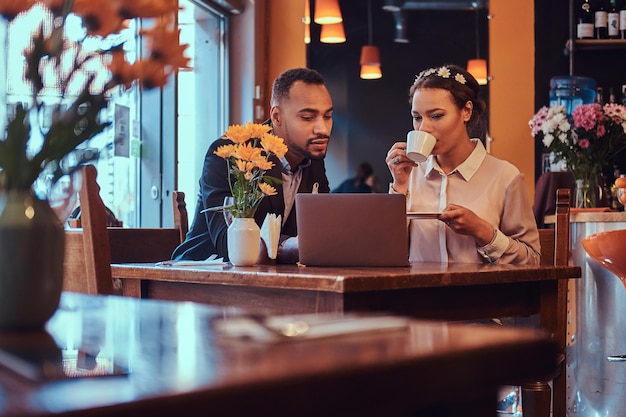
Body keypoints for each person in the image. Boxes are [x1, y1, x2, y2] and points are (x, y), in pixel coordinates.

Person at [172, 68, 333, 263]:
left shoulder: (313, 161)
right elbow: (228, 242)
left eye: (327, 116)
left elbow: (319, 232)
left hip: (274, 277)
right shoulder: (232, 154)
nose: (322, 129)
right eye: (307, 118)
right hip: (204, 270)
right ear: (276, 116)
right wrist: (288, 245)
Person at [385, 64, 540, 264]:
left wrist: (483, 232)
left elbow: (532, 260)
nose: (423, 128)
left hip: (480, 294)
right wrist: (398, 188)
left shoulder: (505, 177)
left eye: (436, 116)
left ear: (466, 111)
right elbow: (386, 252)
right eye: (417, 118)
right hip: (418, 293)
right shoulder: (409, 174)